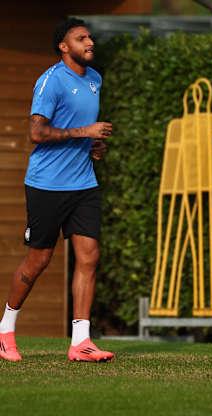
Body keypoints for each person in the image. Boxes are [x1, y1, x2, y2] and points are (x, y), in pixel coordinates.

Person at [0, 18, 114, 362]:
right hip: (47, 185)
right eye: (81, 38)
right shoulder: (50, 82)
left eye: (90, 37)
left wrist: (94, 146)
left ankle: (81, 342)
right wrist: (83, 132)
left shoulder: (95, 80)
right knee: (38, 261)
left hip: (84, 183)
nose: (89, 41)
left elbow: (84, 133)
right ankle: (5, 330)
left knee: (89, 256)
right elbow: (36, 133)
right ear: (64, 47)